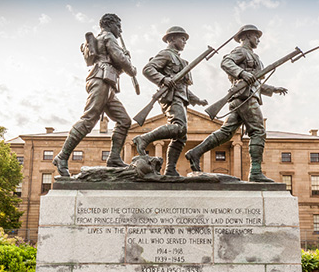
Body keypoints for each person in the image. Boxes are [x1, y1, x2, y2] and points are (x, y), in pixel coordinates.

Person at [184, 24, 287, 182]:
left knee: (226, 133)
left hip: (244, 96)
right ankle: (255, 172)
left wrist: (273, 89)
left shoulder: (255, 57)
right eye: (255, 36)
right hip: (245, 97)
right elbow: (226, 62)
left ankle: (195, 152)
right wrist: (242, 73)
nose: (258, 39)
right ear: (245, 36)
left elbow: (256, 83)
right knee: (258, 131)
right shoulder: (241, 51)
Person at [53, 13, 136, 176]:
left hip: (108, 83)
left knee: (124, 120)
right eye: (118, 26)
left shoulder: (103, 39)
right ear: (110, 24)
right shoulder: (108, 37)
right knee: (89, 119)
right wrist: (130, 66)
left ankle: (113, 157)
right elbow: (120, 60)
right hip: (101, 80)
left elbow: (115, 62)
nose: (120, 30)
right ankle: (62, 157)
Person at [133, 26, 207, 176]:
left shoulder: (181, 60)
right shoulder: (166, 54)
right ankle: (144, 138)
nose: (184, 42)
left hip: (180, 97)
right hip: (170, 96)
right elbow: (148, 69)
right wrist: (163, 79)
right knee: (179, 128)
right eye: (182, 38)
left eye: (185, 39)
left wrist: (196, 100)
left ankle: (170, 169)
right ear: (172, 39)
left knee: (181, 136)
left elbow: (183, 87)